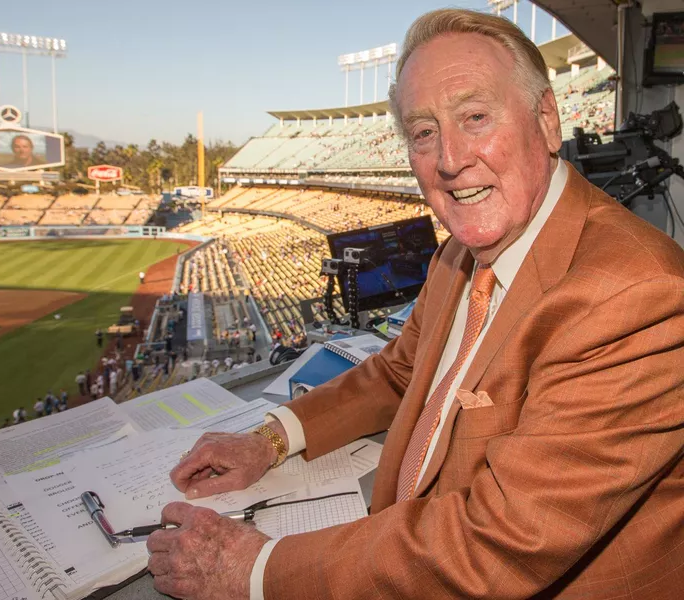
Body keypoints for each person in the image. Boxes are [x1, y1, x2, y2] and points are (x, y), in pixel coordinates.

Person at [146, 10, 684, 600]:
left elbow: (502, 542)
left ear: (548, 121)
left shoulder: (637, 293)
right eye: (423, 133)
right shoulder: (460, 251)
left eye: (475, 117)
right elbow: (401, 370)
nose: (449, 160)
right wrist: (269, 440)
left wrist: (253, 570)